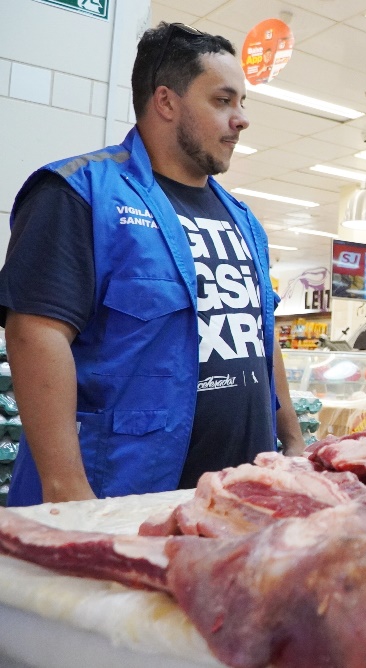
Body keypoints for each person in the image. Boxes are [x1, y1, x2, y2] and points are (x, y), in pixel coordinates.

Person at [0, 22, 305, 507]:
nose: (241, 118)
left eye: (242, 103)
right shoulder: (80, 193)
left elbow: (260, 332)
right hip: (121, 491)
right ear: (166, 102)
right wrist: (66, 488)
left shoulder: (244, 219)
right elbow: (34, 332)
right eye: (223, 100)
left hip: (237, 495)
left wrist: (292, 439)